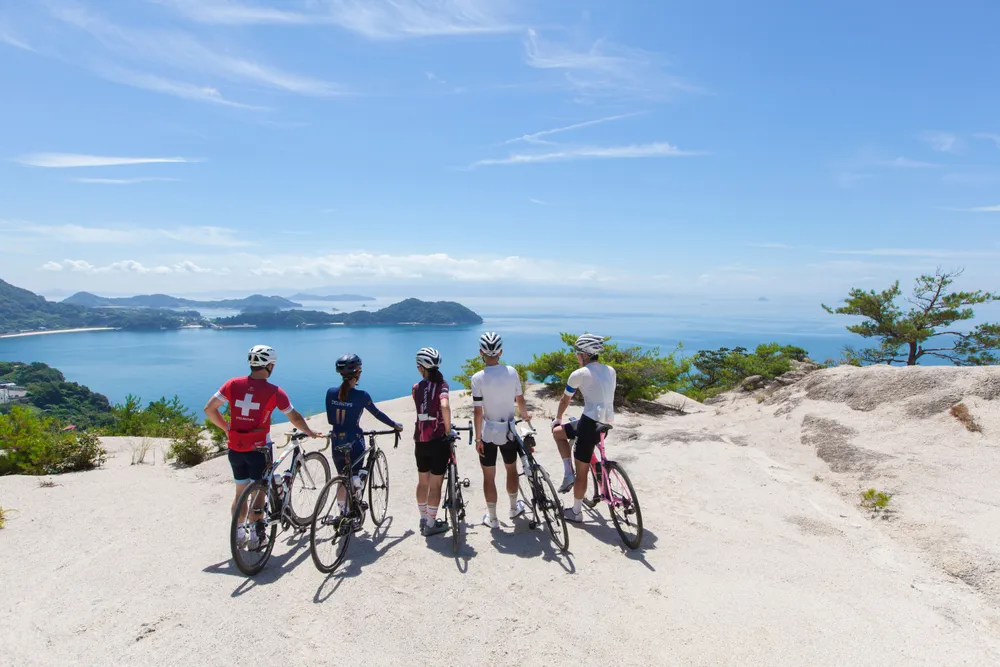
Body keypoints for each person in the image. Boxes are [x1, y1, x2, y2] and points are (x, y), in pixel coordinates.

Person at [204, 344, 322, 545]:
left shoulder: (232, 384)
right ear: (270, 366)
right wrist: (309, 432)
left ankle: (239, 534)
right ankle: (255, 537)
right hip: (259, 450)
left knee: (240, 492)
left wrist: (227, 429)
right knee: (258, 493)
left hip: (235, 447)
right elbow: (294, 417)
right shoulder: (274, 391)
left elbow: (209, 409)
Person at [551, 334, 617, 523]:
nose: (577, 357)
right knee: (562, 434)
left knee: (581, 471)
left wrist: (558, 418)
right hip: (605, 423)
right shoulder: (611, 370)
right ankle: (589, 468)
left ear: (585, 355)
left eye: (578, 354)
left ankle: (576, 511)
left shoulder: (579, 374)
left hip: (588, 424)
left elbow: (565, 399)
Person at [471, 332, 530, 529]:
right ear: (501, 352)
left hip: (488, 431)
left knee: (489, 475)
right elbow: (520, 400)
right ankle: (513, 508)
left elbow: (478, 412)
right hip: (508, 430)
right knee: (511, 468)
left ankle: (493, 518)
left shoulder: (477, 378)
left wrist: (477, 438)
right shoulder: (512, 372)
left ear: (481, 353)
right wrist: (525, 415)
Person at [326, 353, 403, 498]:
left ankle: (342, 512)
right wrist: (394, 425)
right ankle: (358, 483)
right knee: (356, 473)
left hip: (335, 439)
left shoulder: (330, 393)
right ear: (358, 374)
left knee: (342, 476)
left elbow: (331, 417)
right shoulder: (362, 396)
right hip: (354, 439)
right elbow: (377, 413)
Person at [412, 347, 452, 536]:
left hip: (420, 441)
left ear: (421, 367)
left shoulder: (416, 388)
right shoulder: (442, 385)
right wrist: (448, 430)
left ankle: (422, 517)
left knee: (423, 481)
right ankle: (430, 523)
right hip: (438, 440)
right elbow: (444, 404)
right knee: (436, 484)